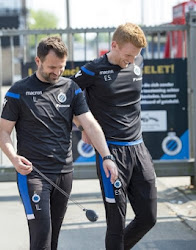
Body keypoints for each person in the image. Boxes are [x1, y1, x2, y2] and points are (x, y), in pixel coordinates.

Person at [0, 36, 118, 250]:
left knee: (53, 239)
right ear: (38, 61)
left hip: (64, 173)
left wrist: (107, 157)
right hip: (33, 173)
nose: (57, 72)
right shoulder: (19, 91)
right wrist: (14, 158)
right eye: (52, 67)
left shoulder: (71, 88)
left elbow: (90, 124)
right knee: (41, 235)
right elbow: (4, 134)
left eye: (61, 67)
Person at [70, 23, 157, 250]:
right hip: (110, 151)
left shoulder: (137, 62)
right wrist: (83, 128)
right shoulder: (93, 70)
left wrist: (132, 58)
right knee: (116, 224)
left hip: (139, 148)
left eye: (135, 55)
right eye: (127, 54)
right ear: (114, 45)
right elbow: (63, 100)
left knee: (148, 217)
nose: (130, 59)